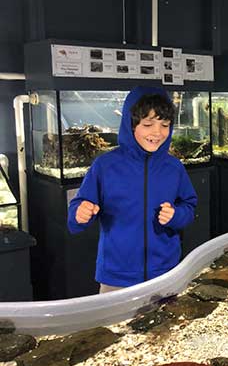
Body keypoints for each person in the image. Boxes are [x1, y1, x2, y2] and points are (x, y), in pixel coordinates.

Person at [67, 86, 198, 293]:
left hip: (165, 272)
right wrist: (80, 214)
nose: (157, 132)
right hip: (116, 276)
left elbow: (189, 207)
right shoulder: (105, 166)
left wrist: (175, 215)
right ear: (131, 124)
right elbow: (75, 218)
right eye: (148, 124)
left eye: (165, 125)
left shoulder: (174, 167)